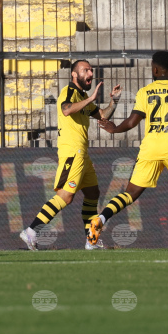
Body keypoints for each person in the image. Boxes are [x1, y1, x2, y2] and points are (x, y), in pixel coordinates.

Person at [90, 51, 168, 250]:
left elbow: (132, 122)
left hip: (150, 149)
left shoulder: (145, 92)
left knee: (130, 193)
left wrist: (114, 129)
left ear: (155, 69)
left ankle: (101, 219)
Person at [20, 59, 121, 251]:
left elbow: (103, 115)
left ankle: (90, 240)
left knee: (92, 193)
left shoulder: (82, 96)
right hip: (72, 152)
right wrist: (90, 99)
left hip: (83, 154)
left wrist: (113, 101)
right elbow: (66, 110)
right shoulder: (69, 92)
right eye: (86, 70)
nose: (90, 73)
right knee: (65, 197)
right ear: (74, 74)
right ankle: (31, 231)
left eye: (91, 70)